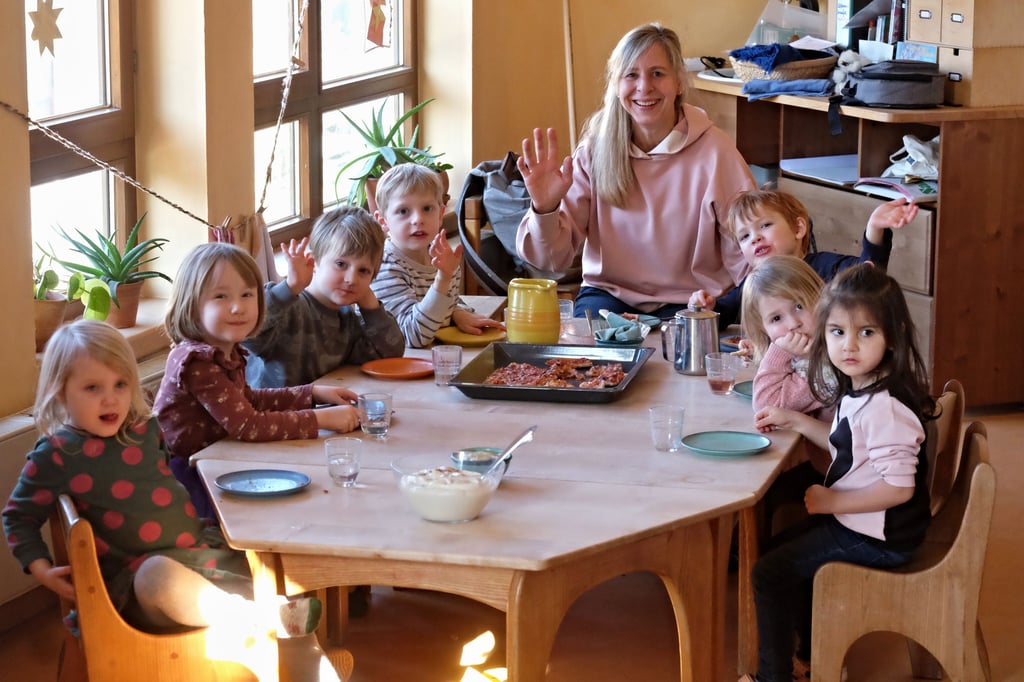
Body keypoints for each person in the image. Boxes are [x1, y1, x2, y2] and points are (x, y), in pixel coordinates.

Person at [2, 320, 327, 668]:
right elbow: (18, 517)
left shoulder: (144, 431)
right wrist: (41, 569)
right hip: (135, 585)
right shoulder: (56, 454)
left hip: (201, 556)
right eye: (92, 387)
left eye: (120, 384)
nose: (110, 398)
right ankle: (254, 619)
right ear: (59, 391)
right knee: (159, 573)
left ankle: (307, 665)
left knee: (266, 544)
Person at [743, 263, 935, 682]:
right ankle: (813, 658)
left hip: (884, 537)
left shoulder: (885, 405)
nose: (848, 346)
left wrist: (834, 501)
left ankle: (773, 676)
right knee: (781, 550)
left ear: (892, 335)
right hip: (871, 523)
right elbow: (848, 442)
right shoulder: (864, 382)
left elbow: (899, 488)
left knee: (768, 571)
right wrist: (797, 423)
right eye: (837, 332)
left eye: (865, 333)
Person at [514, 22, 756, 320]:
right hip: (609, 296)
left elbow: (748, 250)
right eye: (631, 75)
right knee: (588, 363)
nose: (644, 87)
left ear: (679, 82)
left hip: (693, 301)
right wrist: (545, 208)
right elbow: (549, 259)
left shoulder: (716, 152)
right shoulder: (594, 151)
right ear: (617, 85)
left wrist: (744, 308)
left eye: (657, 73)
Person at [154, 242, 360, 519]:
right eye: (221, 297)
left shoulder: (224, 351)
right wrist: (321, 419)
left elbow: (247, 401)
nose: (238, 307)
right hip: (188, 477)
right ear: (191, 307)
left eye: (247, 294)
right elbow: (248, 425)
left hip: (218, 459)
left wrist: (312, 393)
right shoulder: (198, 361)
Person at [690, 189, 919, 328]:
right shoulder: (754, 283)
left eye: (765, 225)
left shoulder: (824, 266)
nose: (755, 238)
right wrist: (706, 308)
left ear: (798, 228)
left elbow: (867, 274)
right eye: (745, 236)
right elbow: (723, 315)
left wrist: (874, 229)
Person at [243, 205, 405, 388]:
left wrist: (369, 303)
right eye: (341, 264)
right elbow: (247, 333)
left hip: (320, 412)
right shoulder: (289, 307)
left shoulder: (348, 321)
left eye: (363, 270)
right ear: (313, 261)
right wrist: (290, 287)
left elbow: (390, 355)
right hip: (271, 414)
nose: (351, 279)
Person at [371, 163, 504, 347]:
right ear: (383, 222)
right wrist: (444, 278)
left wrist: (458, 313)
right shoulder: (384, 267)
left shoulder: (439, 256)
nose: (418, 219)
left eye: (427, 208)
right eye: (403, 211)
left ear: (441, 214)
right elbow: (413, 337)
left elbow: (446, 302)